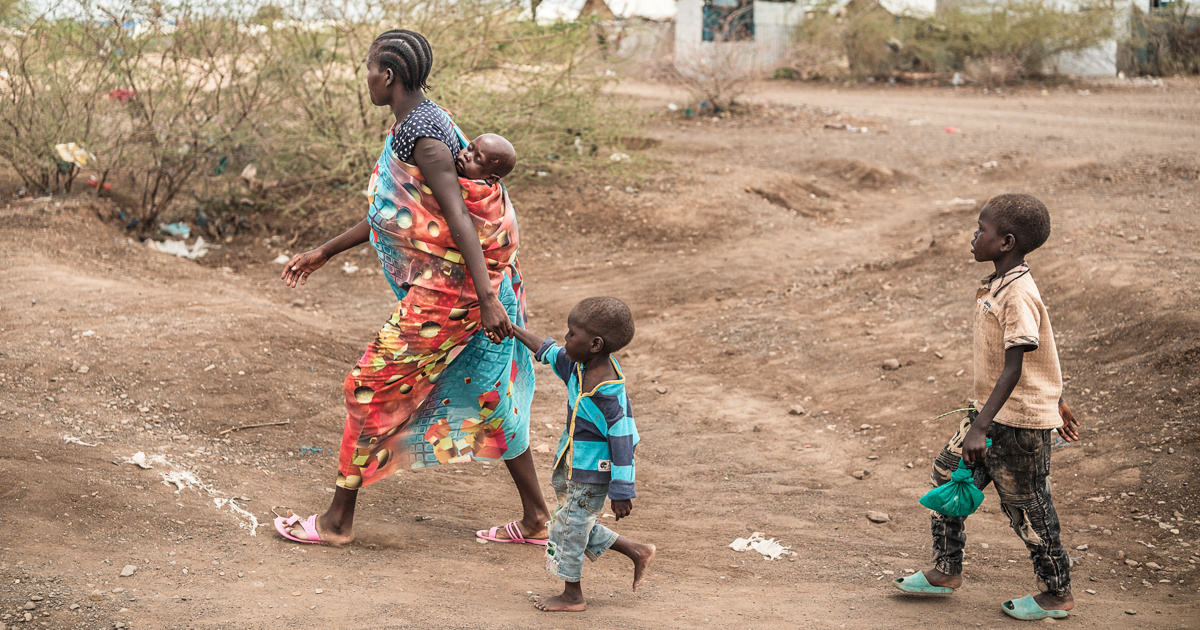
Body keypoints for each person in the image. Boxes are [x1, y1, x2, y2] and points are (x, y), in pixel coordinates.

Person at [274, 29, 550, 547]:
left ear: (390, 75)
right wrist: (325, 251)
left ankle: (336, 523)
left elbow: (459, 219)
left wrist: (488, 300)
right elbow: (395, 214)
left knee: (368, 385)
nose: (367, 80)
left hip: (460, 295)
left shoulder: (424, 137)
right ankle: (535, 518)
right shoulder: (422, 120)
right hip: (473, 291)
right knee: (490, 394)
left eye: (370, 71)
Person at [893, 194, 1082, 621]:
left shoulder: (1017, 294)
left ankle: (1057, 593)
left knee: (1027, 508)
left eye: (981, 230)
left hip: (1014, 427)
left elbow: (1015, 367)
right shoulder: (998, 284)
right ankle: (946, 570)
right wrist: (1056, 397)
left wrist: (981, 427)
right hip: (990, 416)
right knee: (947, 475)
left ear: (1006, 242)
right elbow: (1037, 359)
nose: (973, 236)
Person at [509, 297, 656, 612]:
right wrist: (512, 330)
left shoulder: (608, 394)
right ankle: (636, 550)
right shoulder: (580, 366)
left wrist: (621, 490)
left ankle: (572, 595)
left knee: (568, 526)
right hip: (572, 462)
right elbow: (546, 349)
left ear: (595, 344)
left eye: (571, 335)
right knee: (572, 522)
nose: (565, 340)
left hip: (593, 471)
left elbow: (624, 442)